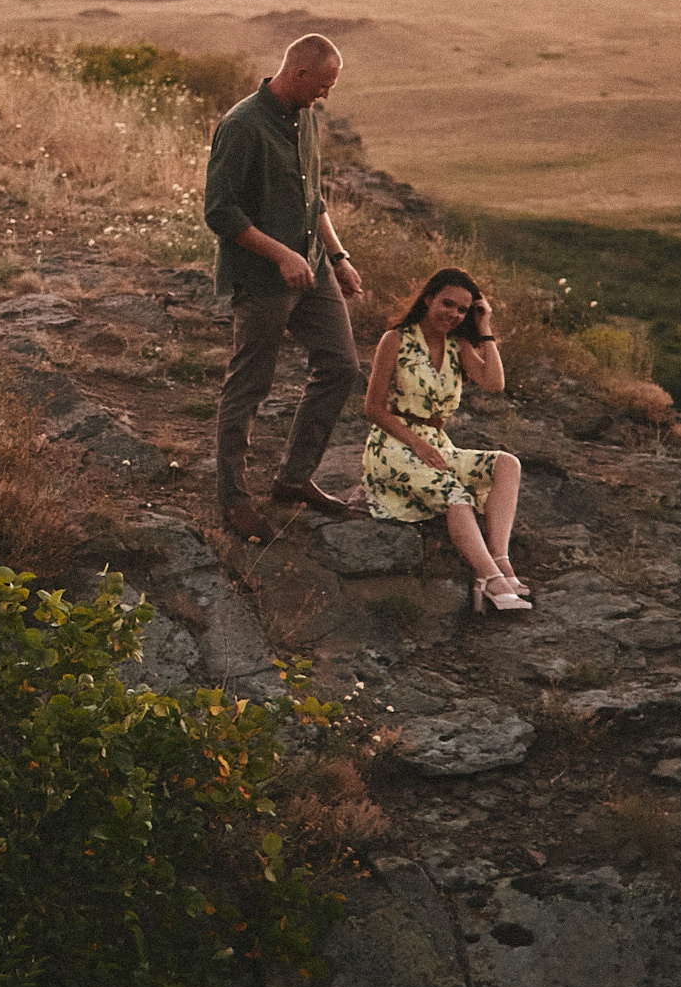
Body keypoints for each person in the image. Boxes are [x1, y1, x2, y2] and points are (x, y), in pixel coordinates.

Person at [203, 33, 364, 543]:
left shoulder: (306, 119)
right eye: (323, 84)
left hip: (312, 269)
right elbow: (220, 213)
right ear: (296, 74)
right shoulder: (242, 125)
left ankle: (294, 478)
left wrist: (336, 256)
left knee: (341, 365)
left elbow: (313, 199)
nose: (326, 95)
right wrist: (281, 254)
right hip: (263, 277)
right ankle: (233, 498)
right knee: (250, 385)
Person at [360, 267, 531, 611]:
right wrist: (418, 445)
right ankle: (488, 579)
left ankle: (500, 559)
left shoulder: (459, 345)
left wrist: (484, 328)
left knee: (507, 465)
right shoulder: (395, 339)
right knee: (456, 493)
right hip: (394, 444)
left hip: (437, 443)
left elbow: (494, 384)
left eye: (462, 310)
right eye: (446, 303)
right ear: (428, 299)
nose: (452, 314)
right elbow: (373, 408)